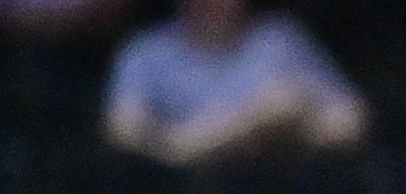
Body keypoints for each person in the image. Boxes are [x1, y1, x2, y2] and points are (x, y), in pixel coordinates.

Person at [101, 0, 365, 165]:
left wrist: (287, 125)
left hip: (275, 187)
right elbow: (121, 131)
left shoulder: (279, 40)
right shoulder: (146, 51)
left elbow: (350, 120)